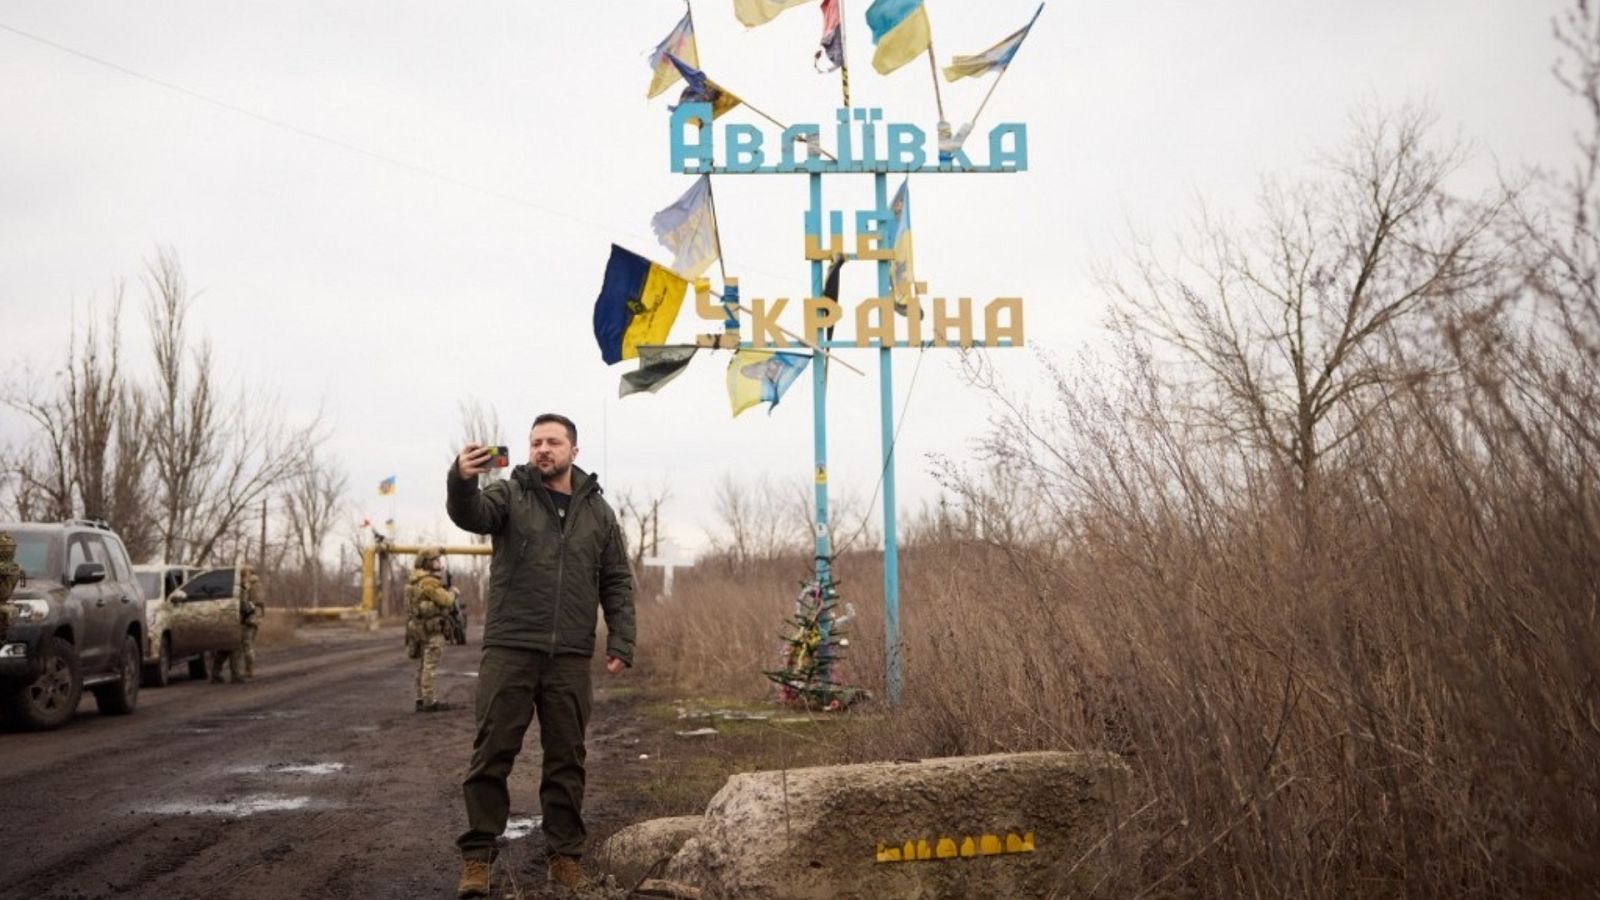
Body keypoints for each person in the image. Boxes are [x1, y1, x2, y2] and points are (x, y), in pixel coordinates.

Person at [447, 413, 635, 898]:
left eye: (553, 442)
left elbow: (616, 579)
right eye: (536, 442)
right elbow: (471, 515)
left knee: (567, 758)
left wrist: (621, 640)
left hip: (569, 654)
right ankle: (477, 858)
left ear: (574, 450)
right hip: (511, 646)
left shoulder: (599, 513)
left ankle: (565, 858)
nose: (542, 450)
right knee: (492, 753)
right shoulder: (510, 495)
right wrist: (462, 480)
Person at [405, 546, 454, 712]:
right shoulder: (429, 582)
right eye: (435, 560)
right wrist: (453, 592)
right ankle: (429, 701)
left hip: (419, 630)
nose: (439, 562)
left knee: (421, 666)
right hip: (432, 631)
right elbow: (447, 600)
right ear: (427, 563)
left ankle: (420, 699)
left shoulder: (415, 580)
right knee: (429, 667)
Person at [240, 565, 265, 678]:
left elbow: (248, 602)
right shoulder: (257, 584)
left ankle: (249, 669)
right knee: (249, 643)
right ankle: (249, 668)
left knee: (247, 644)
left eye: (244, 573)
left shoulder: (250, 584)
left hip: (250, 617)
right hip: (255, 617)